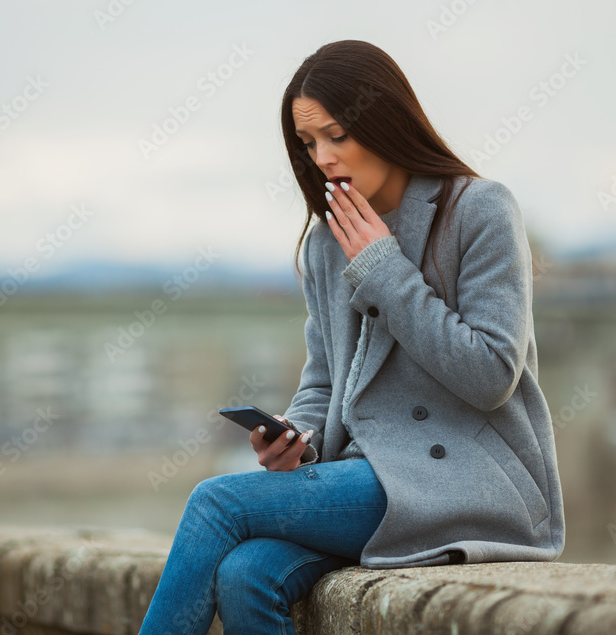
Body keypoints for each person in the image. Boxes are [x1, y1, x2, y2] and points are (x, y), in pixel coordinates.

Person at [137, 39, 565, 635]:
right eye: (309, 143)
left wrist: (385, 270)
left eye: (337, 135)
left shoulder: (480, 209)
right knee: (244, 574)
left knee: (216, 502)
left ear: (386, 120)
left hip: (465, 482)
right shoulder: (324, 242)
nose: (324, 157)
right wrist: (299, 441)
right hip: (365, 478)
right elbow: (324, 379)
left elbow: (492, 375)